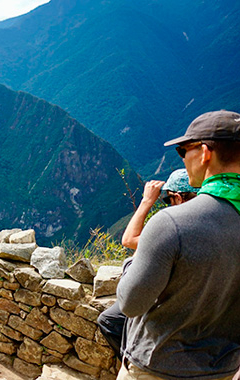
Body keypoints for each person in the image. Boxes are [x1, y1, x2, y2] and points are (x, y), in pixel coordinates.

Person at [116, 110, 240, 379]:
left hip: (159, 366)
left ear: (205, 152)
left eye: (184, 150)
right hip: (222, 370)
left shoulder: (172, 223)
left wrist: (131, 264)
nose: (183, 159)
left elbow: (129, 303)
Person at [98, 169, 198, 359]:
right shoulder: (215, 218)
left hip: (167, 297)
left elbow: (128, 239)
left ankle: (134, 363)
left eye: (168, 200)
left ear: (178, 198)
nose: (167, 205)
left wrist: (147, 201)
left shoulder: (173, 229)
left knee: (109, 320)